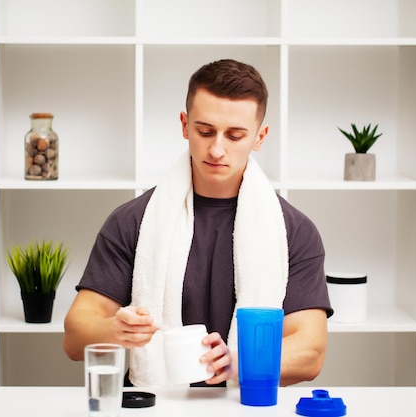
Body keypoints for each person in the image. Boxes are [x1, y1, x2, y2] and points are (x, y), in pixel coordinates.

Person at [63, 59, 332, 387]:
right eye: (205, 131)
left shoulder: (294, 231)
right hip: (154, 408)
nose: (217, 149)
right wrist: (116, 330)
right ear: (184, 125)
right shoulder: (132, 221)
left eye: (235, 135)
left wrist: (239, 362)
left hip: (245, 405)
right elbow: (75, 338)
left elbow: (311, 351)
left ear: (260, 137)